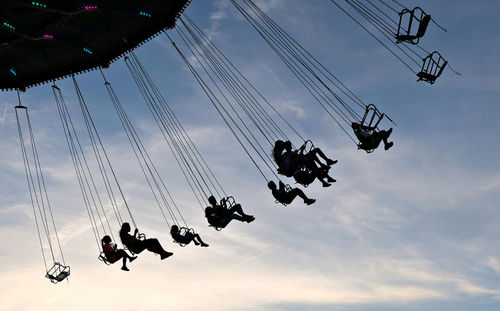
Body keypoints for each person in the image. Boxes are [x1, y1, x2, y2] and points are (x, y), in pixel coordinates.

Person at [272, 140, 336, 187]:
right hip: (292, 168)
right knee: (308, 159)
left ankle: (326, 162)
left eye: (291, 146)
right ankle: (322, 175)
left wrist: (301, 151)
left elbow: (299, 157)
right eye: (289, 146)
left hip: (296, 164)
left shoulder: (289, 153)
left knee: (314, 151)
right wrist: (292, 155)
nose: (291, 147)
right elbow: (287, 160)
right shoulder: (284, 154)